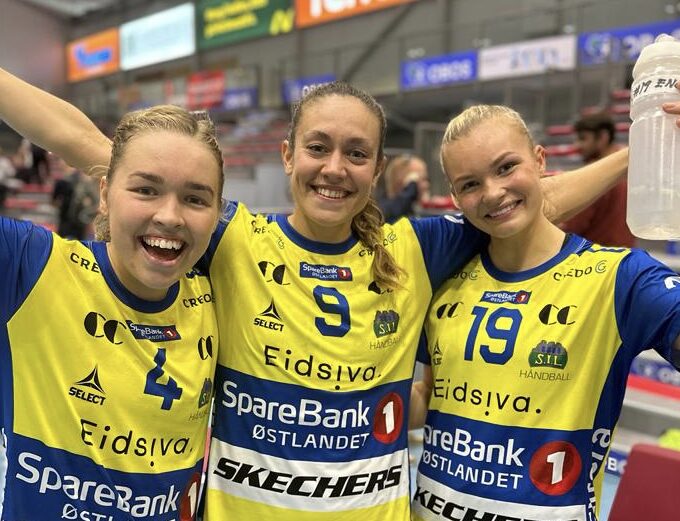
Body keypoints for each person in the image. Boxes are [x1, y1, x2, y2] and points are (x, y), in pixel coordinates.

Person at [0, 69, 640, 520]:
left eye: (356, 153)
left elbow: (521, 202)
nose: (334, 168)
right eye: (318, 148)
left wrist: (634, 153)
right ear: (288, 156)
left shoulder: (413, 250)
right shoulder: (231, 237)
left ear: (378, 169)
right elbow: (91, 146)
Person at [409, 104, 680, 521]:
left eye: (506, 168)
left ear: (540, 160)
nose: (493, 193)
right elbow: (430, 394)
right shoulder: (446, 276)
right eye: (470, 184)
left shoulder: (619, 278)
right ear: (456, 196)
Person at [0, 105, 223, 520]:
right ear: (104, 194)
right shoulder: (31, 267)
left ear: (217, 214)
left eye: (195, 199)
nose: (169, 216)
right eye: (145, 190)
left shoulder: (222, 290)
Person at [560, 112, 635, 247]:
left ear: (603, 137)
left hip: (594, 256)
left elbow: (572, 228)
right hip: (627, 255)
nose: (577, 145)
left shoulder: (593, 175)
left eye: (583, 139)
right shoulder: (633, 165)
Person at [51, 157, 98, 239]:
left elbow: (93, 200)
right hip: (65, 219)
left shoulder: (82, 180)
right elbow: (54, 201)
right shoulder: (60, 182)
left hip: (79, 219)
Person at [378, 153, 430, 222]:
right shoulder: (382, 210)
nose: (426, 185)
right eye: (422, 179)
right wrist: (411, 187)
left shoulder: (416, 212)